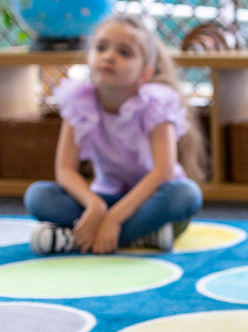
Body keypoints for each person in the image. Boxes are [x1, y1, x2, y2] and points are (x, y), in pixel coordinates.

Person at [24, 14, 205, 255]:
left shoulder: (156, 105)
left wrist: (114, 220)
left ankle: (77, 238)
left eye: (124, 52)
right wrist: (96, 206)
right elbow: (65, 171)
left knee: (186, 195)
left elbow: (163, 172)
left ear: (145, 72)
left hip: (151, 200)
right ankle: (141, 237)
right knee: (38, 197)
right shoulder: (78, 103)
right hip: (105, 198)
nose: (109, 56)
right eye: (100, 48)